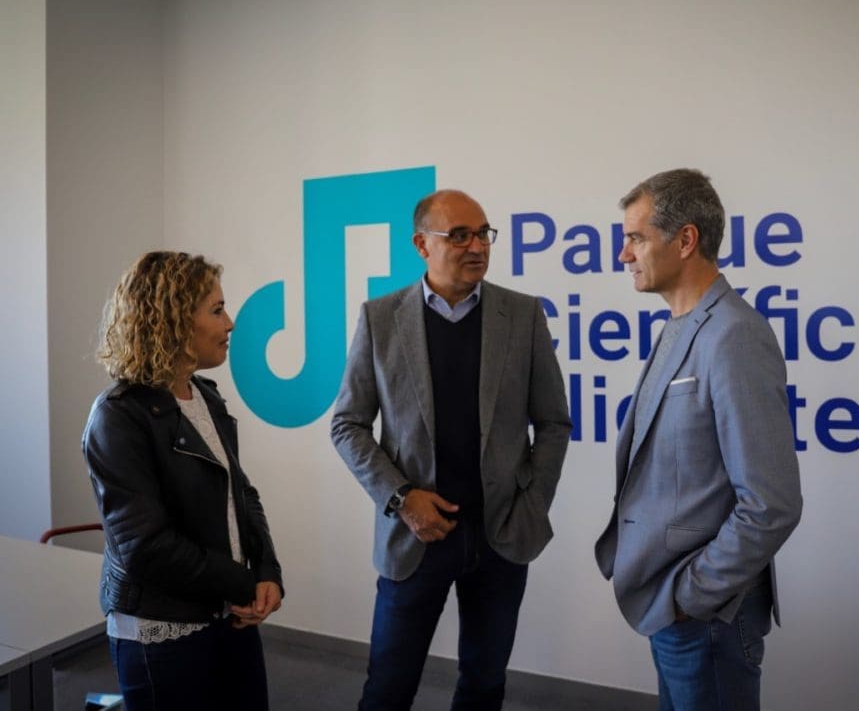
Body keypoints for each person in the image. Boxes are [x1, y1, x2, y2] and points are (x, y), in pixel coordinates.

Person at [331, 189, 571, 711]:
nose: (477, 246)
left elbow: (553, 422)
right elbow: (348, 424)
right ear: (422, 244)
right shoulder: (380, 318)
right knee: (388, 687)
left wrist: (530, 506)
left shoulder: (523, 315)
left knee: (484, 685)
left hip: (499, 537)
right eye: (458, 235)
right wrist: (401, 498)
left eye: (483, 233)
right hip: (415, 537)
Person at [594, 169, 803, 711]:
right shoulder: (679, 327)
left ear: (686, 240)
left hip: (708, 615)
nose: (623, 254)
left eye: (636, 238)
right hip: (674, 610)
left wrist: (692, 596)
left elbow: (771, 504)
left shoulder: (734, 335)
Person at [82, 251, 284, 711]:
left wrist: (267, 571)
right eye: (216, 310)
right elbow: (146, 546)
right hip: (163, 632)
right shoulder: (117, 416)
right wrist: (241, 583)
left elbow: (241, 495)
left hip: (227, 614)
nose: (230, 323)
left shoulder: (204, 396)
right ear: (171, 321)